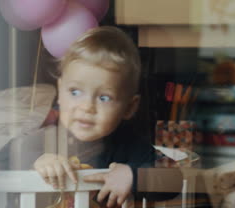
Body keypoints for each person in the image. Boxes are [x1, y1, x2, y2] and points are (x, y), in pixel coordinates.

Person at [34, 26, 158, 208]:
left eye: (104, 98)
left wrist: (133, 175)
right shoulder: (43, 139)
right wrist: (39, 161)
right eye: (75, 92)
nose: (87, 107)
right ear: (60, 91)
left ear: (129, 107)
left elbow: (174, 179)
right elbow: (3, 160)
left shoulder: (130, 145)